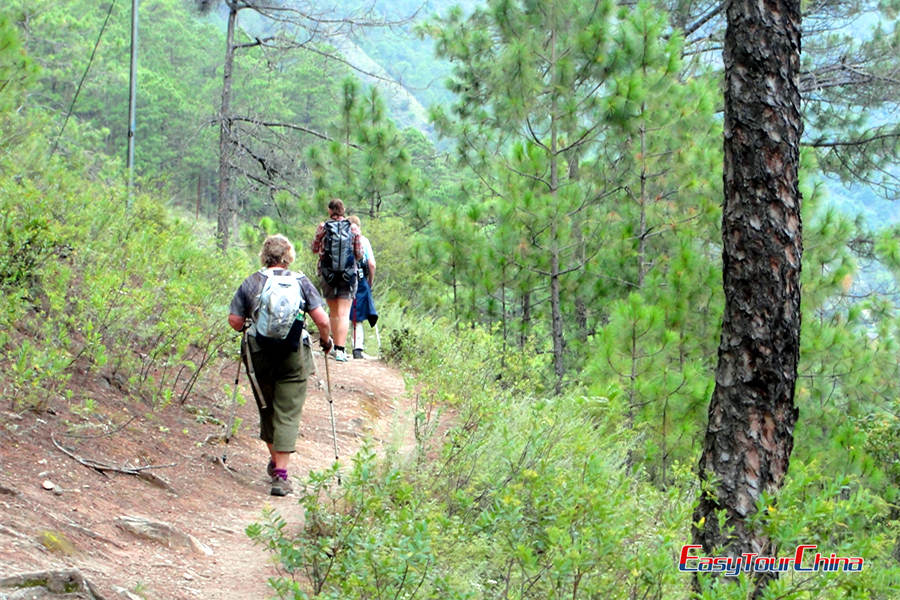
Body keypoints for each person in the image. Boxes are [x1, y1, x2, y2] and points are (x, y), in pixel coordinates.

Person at [228, 234, 332, 496]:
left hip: (259, 353)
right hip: (293, 354)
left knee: (267, 407)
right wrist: (327, 341)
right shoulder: (301, 282)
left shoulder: (252, 282)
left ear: (265, 255)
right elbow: (322, 320)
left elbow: (234, 321)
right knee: (287, 412)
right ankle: (281, 475)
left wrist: (253, 323)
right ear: (288, 256)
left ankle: (276, 462)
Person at [310, 199, 363, 362]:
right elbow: (359, 253)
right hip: (348, 275)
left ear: (329, 210)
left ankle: (333, 347)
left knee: (333, 311)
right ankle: (341, 349)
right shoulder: (353, 228)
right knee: (344, 312)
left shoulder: (323, 227)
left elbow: (314, 248)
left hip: (328, 274)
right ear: (343, 210)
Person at [347, 215, 378, 359]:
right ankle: (357, 348)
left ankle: (337, 345)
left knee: (339, 312)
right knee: (357, 315)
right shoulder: (363, 241)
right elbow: (371, 264)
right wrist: (370, 282)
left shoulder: (342, 239)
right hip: (359, 280)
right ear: (359, 226)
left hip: (341, 280)